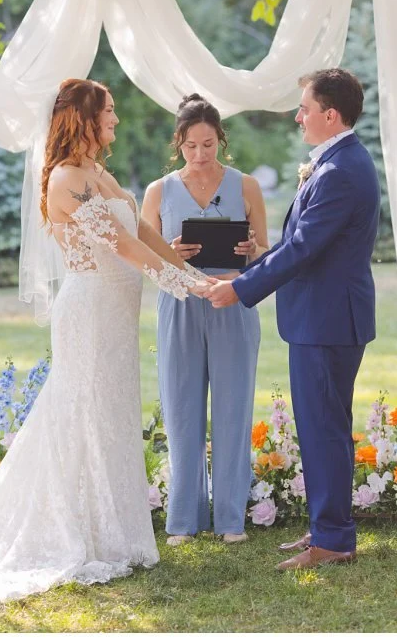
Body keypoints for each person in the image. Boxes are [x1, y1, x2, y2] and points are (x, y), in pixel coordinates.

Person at [0, 79, 208, 609]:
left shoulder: (99, 172)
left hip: (118, 315)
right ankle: (83, 534)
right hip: (89, 310)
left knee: (112, 414)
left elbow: (142, 232)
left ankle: (115, 531)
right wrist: (186, 289)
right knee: (82, 413)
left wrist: (191, 273)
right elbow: (116, 244)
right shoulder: (63, 179)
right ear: (85, 118)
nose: (117, 121)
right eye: (110, 113)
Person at [206, 68, 380, 571]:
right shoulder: (336, 162)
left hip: (327, 322)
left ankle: (332, 541)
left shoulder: (341, 170)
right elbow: (296, 246)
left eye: (304, 107)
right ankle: (329, 529)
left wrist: (239, 291)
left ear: (330, 114)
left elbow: (304, 249)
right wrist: (249, 267)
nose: (296, 115)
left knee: (324, 428)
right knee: (325, 427)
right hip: (323, 318)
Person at [141, 94, 268, 546]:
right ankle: (183, 520)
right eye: (191, 145)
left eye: (208, 145)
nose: (200, 154)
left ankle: (231, 519)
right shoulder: (157, 191)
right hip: (179, 305)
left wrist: (251, 252)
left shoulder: (246, 186)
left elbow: (265, 257)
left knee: (234, 409)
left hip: (232, 303)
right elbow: (146, 261)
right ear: (179, 143)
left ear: (221, 141)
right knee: (181, 410)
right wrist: (169, 253)